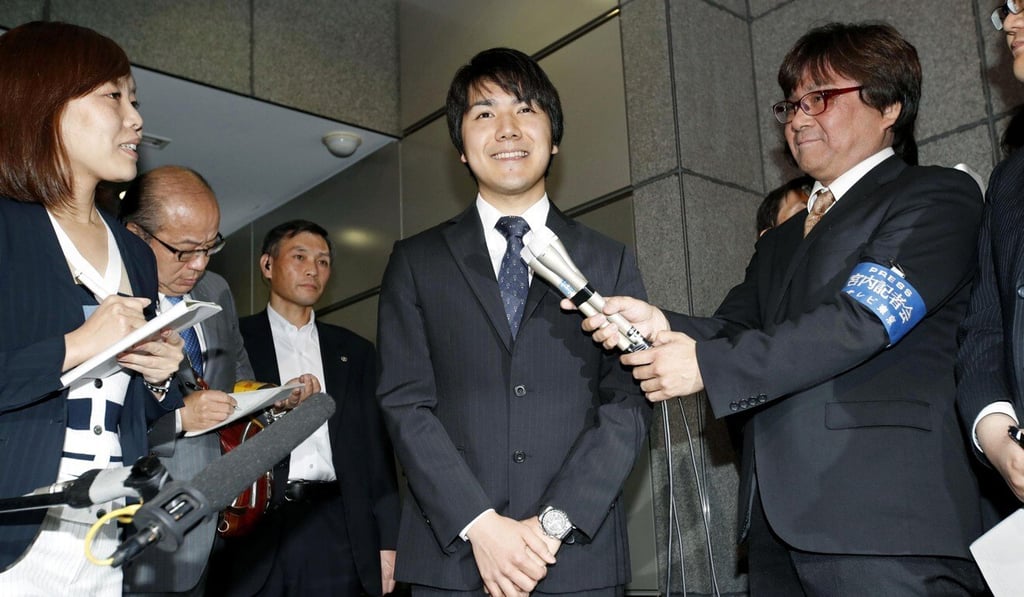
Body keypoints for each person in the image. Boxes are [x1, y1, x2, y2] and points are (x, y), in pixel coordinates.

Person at [579, 23, 988, 595]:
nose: (798, 118)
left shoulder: (936, 195)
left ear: (889, 105)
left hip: (885, 524)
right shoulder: (780, 238)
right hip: (774, 526)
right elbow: (735, 327)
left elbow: (862, 320)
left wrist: (708, 366)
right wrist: (663, 324)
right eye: (791, 104)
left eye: (821, 97)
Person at [377, 47, 651, 596]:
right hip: (452, 560)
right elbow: (405, 403)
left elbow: (629, 402)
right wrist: (482, 526)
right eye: (484, 114)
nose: (506, 129)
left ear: (554, 138)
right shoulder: (416, 261)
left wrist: (550, 526)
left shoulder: (608, 259)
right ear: (460, 146)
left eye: (526, 110)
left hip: (576, 557)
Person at [0, 21, 186, 594]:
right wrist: (77, 346)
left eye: (134, 100)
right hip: (15, 527)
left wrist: (160, 379)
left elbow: (145, 410)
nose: (135, 118)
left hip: (106, 529)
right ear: (45, 102)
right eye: (113, 96)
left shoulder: (132, 248)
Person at [209, 220, 399, 596]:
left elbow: (377, 454)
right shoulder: (234, 341)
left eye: (324, 261)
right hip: (254, 526)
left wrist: (389, 540)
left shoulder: (355, 352)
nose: (314, 269)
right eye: (300, 257)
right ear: (267, 266)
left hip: (337, 525)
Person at [119, 165, 253, 596]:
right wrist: (177, 417)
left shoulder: (216, 290)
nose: (199, 264)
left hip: (212, 507)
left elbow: (237, 373)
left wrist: (272, 398)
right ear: (137, 235)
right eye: (184, 250)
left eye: (210, 247)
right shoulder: (108, 296)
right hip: (135, 514)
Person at [957, 1, 1024, 513]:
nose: (1011, 25)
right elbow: (986, 329)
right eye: (1009, 9)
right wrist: (998, 438)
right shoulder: (1009, 181)